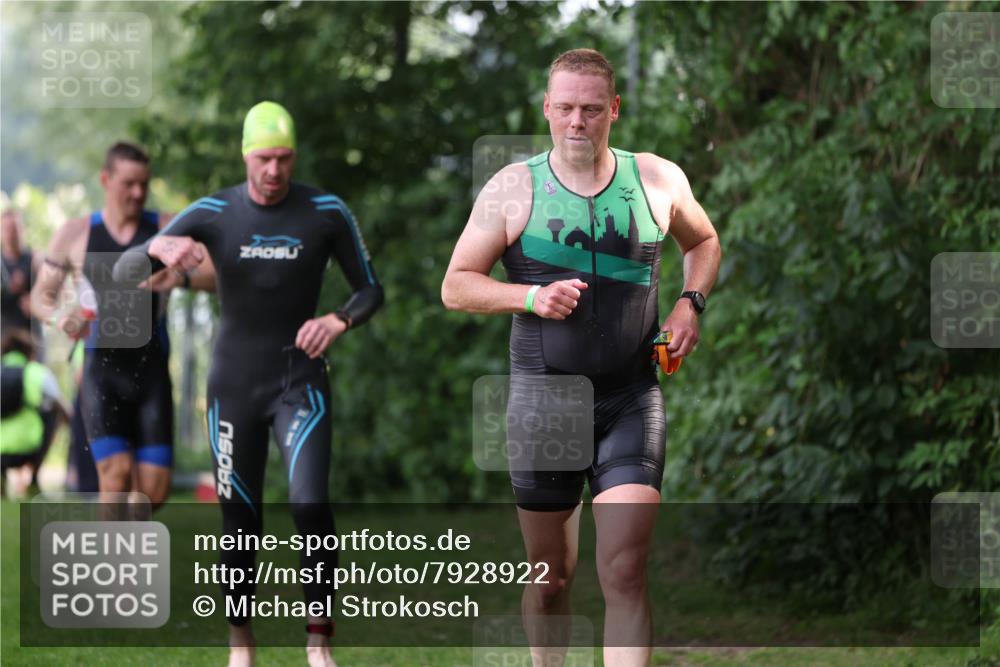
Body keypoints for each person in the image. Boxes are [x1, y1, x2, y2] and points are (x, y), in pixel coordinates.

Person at [441, 49, 721, 667]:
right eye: (564, 108)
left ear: (613, 111)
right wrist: (530, 296)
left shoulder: (657, 179)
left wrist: (688, 304)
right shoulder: (512, 188)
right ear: (546, 109)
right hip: (545, 402)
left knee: (624, 570)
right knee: (551, 580)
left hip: (630, 396)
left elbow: (702, 240)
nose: (577, 122)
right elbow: (456, 283)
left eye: (591, 110)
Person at [114, 101, 383, 667]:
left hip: (299, 382)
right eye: (264, 158)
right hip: (233, 385)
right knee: (240, 515)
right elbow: (120, 272)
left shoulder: (325, 211)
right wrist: (156, 247)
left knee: (310, 504)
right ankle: (241, 644)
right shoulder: (214, 211)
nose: (274, 170)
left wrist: (338, 320)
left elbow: (370, 289)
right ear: (246, 156)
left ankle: (318, 641)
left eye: (285, 159)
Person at [30, 141, 214, 509]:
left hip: (152, 374)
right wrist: (59, 317)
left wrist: (178, 279)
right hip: (102, 373)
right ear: (105, 179)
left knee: (152, 493)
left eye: (144, 184)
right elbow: (40, 297)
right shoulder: (76, 233)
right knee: (114, 480)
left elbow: (215, 274)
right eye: (128, 183)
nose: (138, 193)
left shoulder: (166, 227)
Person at [0, 330, 69, 497]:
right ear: (30, 353)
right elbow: (65, 409)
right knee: (52, 413)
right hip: (31, 447)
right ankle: (33, 479)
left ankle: (2, 486)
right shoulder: (37, 372)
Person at [1, 209, 41, 336]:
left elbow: (54, 294)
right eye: (7, 229)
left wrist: (36, 301)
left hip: (32, 336)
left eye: (15, 228)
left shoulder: (35, 259)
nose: (12, 233)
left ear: (23, 229)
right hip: (5, 337)